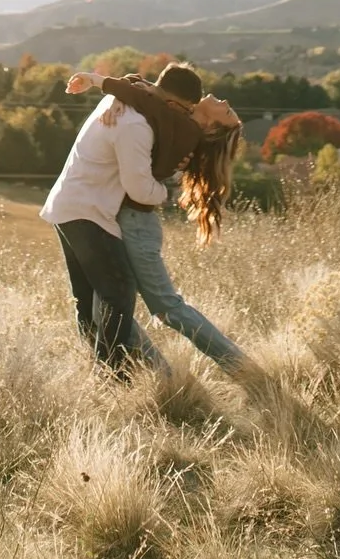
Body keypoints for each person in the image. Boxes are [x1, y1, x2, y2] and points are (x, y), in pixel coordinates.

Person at [65, 62, 247, 372]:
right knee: (108, 302)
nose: (227, 104)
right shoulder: (175, 117)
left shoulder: (184, 131)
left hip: (137, 222)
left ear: (211, 128)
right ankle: (161, 375)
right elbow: (152, 94)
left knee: (161, 306)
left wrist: (113, 94)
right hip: (121, 218)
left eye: (227, 114)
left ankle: (236, 365)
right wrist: (119, 98)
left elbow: (151, 102)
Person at [39, 75, 167, 376]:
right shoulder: (133, 123)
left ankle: (95, 367)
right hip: (87, 211)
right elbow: (139, 189)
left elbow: (132, 82)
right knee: (118, 291)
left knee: (86, 297)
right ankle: (110, 374)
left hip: (67, 204)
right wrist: (166, 192)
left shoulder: (113, 103)